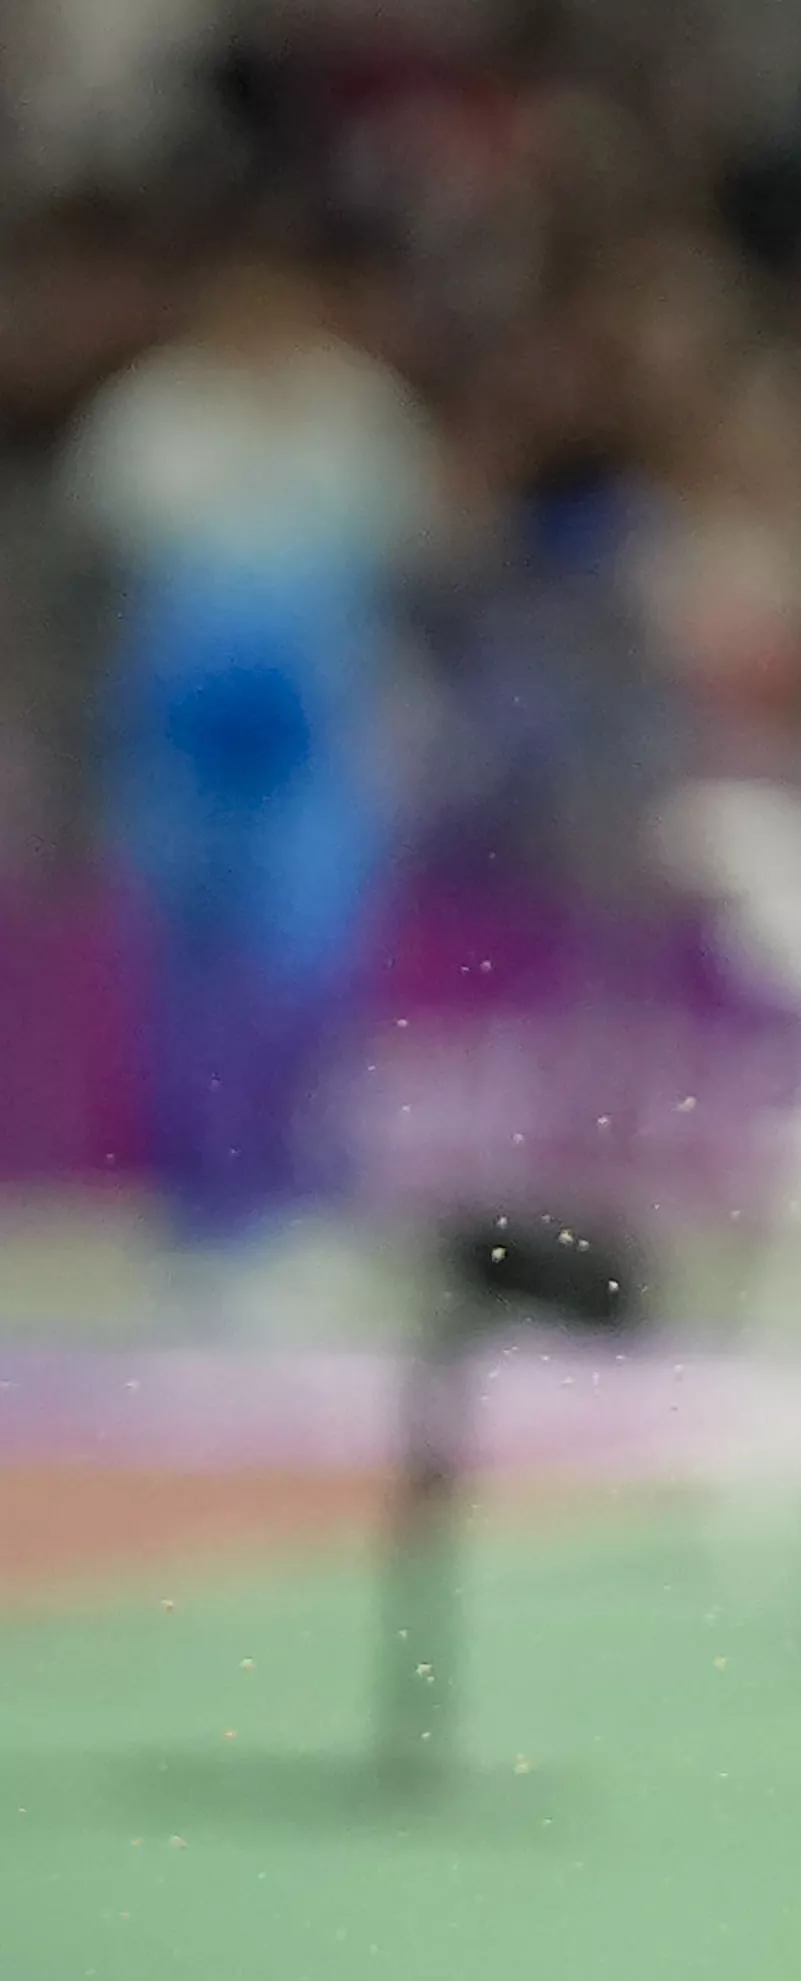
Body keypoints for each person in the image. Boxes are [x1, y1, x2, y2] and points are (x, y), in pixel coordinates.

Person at [60, 244, 437, 1308]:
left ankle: (304, 1207)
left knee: (308, 986)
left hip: (312, 755)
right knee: (185, 991)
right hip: (179, 748)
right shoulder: (152, 416)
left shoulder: (362, 414)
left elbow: (409, 563)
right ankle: (199, 1221)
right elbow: (104, 571)